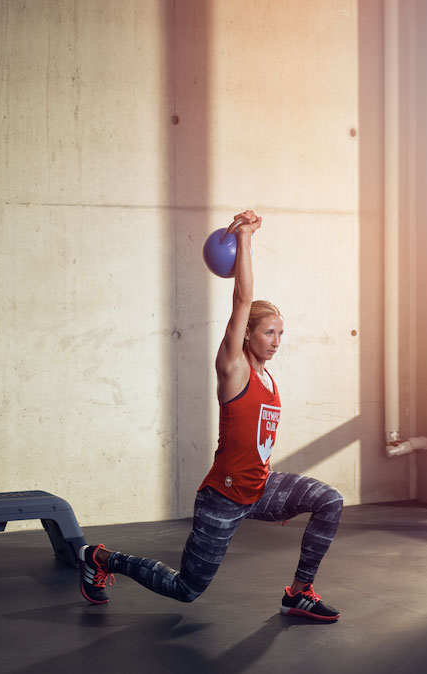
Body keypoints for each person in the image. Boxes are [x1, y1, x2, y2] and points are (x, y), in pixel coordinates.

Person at [79, 210, 343, 622]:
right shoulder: (233, 368)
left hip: (259, 488)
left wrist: (280, 501)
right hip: (222, 498)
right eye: (267, 333)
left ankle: (299, 592)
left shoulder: (269, 378)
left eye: (280, 334)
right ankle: (100, 558)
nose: (275, 342)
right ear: (248, 334)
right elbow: (242, 298)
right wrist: (247, 241)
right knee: (186, 589)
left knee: (329, 500)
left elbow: (259, 443)